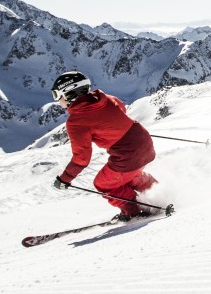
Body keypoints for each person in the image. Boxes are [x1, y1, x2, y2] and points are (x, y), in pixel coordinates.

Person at [50, 71, 158, 221]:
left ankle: (133, 211)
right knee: (130, 176)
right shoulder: (104, 98)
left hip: (128, 154)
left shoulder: (76, 121)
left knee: (104, 183)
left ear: (69, 93)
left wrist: (64, 179)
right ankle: (158, 193)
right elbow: (122, 109)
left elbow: (81, 158)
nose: (57, 100)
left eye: (57, 95)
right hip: (144, 141)